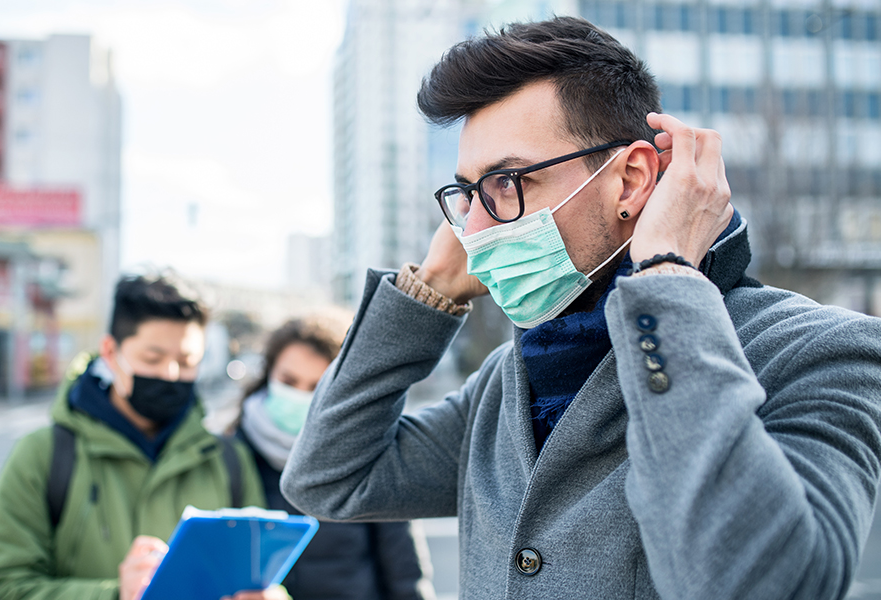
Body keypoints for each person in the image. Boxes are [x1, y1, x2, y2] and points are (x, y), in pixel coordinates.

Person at [281, 16, 881, 600]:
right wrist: (430, 288)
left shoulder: (823, 352)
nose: (477, 227)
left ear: (631, 181)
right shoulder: (507, 380)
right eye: (467, 194)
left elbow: (753, 582)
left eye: (508, 183)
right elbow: (329, 478)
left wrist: (667, 272)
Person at [0, 272, 276, 600]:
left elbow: (255, 576)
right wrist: (116, 594)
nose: (170, 374)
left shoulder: (227, 458)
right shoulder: (44, 454)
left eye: (187, 361)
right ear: (110, 351)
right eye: (153, 358)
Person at [235, 317, 436, 600]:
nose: (298, 396)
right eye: (288, 381)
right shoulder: (231, 453)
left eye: (316, 386)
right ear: (268, 373)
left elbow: (403, 571)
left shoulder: (367, 451)